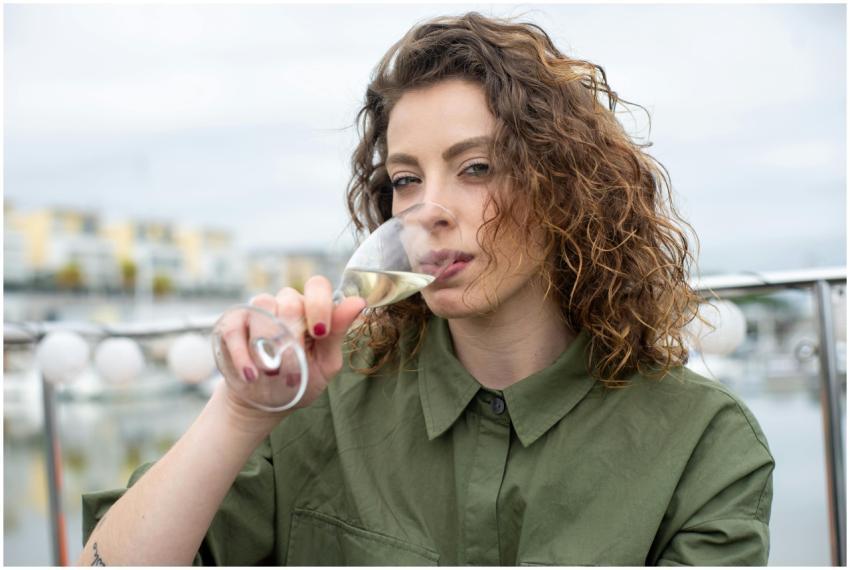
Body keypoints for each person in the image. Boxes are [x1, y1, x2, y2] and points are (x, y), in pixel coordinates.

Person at [79, 12, 774, 566]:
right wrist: (239, 413)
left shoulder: (703, 445)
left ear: (566, 188)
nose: (428, 208)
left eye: (476, 168)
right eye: (406, 179)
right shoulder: (318, 405)